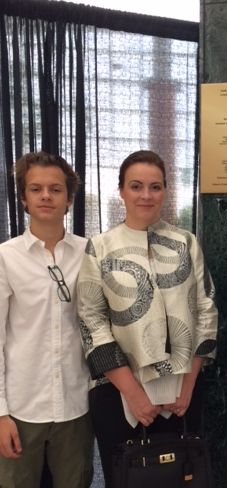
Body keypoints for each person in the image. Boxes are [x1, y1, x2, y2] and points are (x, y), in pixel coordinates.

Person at [77, 150, 218, 487]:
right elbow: (91, 321)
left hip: (182, 394)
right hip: (119, 393)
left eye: (155, 187)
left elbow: (207, 309)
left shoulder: (186, 243)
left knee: (182, 476)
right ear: (121, 190)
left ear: (165, 191)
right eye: (136, 186)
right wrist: (134, 394)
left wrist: (188, 386)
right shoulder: (100, 247)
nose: (146, 195)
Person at [0, 151, 94, 488]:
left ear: (69, 199)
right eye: (35, 189)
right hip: (22, 406)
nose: (45, 196)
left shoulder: (90, 253)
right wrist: (0, 413)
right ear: (23, 198)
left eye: (55, 189)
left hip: (76, 403)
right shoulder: (6, 257)